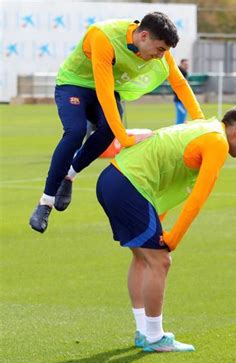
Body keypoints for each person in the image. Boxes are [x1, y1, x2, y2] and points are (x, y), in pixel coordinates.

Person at [96, 106, 236, 352]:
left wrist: (159, 221)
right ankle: (154, 337)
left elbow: (167, 176)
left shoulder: (205, 126)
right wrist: (174, 237)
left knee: (143, 258)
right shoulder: (218, 143)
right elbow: (198, 197)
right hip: (130, 185)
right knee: (161, 261)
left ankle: (144, 332)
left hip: (113, 178)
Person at [29, 12, 205, 234]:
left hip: (107, 88)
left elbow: (179, 83)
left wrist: (199, 120)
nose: (161, 57)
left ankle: (69, 175)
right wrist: (125, 138)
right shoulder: (104, 37)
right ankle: (45, 202)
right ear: (143, 36)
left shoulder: (158, 49)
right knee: (75, 132)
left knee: (107, 131)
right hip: (74, 84)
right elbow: (104, 94)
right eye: (160, 50)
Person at [174, 59, 189, 124]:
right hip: (178, 99)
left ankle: (180, 129)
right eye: (185, 64)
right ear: (181, 64)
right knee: (182, 114)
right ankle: (177, 128)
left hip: (184, 98)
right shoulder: (179, 71)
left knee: (184, 114)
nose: (187, 66)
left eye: (187, 65)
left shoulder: (185, 73)